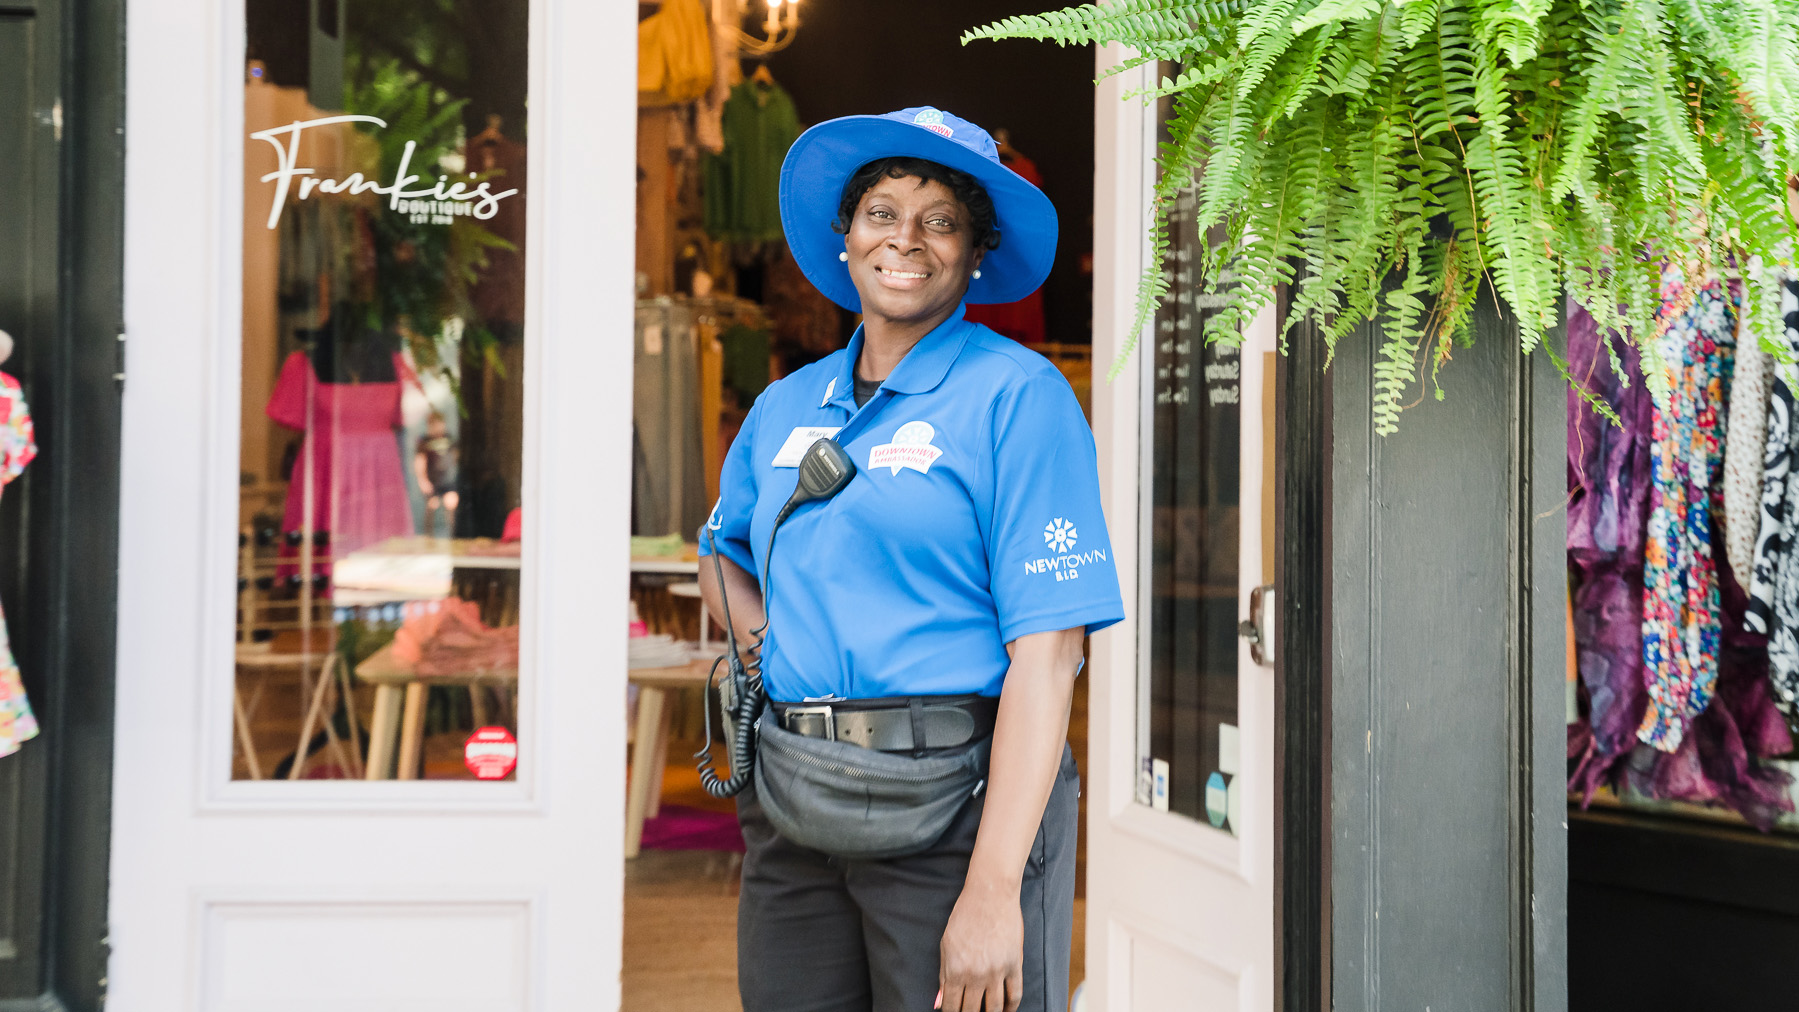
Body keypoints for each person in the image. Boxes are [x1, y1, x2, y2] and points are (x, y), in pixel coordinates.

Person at [699, 107, 1123, 1012]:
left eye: (940, 220)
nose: (906, 238)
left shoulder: (1019, 397)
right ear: (846, 240)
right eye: (881, 212)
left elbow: (1048, 655)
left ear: (974, 254)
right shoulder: (783, 406)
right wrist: (763, 650)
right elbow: (722, 549)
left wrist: (991, 890)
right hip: (793, 808)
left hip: (953, 813)